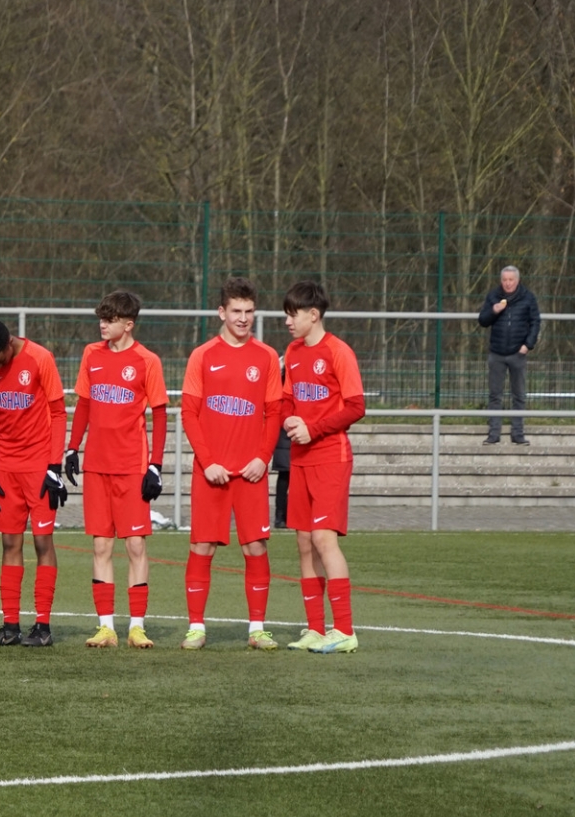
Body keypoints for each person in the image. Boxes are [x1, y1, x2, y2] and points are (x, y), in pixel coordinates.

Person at [180, 279, 284, 651]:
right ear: (222, 313)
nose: (243, 319)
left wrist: (262, 457)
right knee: (202, 546)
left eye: (249, 312)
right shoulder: (202, 355)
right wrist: (207, 463)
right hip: (211, 473)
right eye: (236, 312)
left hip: (250, 472)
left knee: (255, 547)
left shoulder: (267, 356)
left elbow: (274, 412)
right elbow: (189, 414)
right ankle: (196, 627)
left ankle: (257, 628)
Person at [64, 290, 167, 650]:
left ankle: (136, 626)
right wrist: (72, 447)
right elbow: (84, 404)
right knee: (101, 546)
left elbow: (159, 413)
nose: (102, 325)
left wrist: (155, 465)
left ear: (128, 324)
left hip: (131, 468)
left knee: (136, 546)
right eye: (101, 319)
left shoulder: (147, 361)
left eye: (109, 320)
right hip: (97, 467)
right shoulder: (91, 354)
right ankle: (106, 627)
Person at [278, 280, 366, 653]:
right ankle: (315, 628)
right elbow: (285, 400)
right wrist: (288, 422)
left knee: (323, 539)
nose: (287, 321)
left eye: (292, 314)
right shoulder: (293, 352)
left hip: (331, 457)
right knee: (302, 542)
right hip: (300, 460)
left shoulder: (338, 352)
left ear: (313, 315)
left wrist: (312, 428)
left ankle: (344, 630)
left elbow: (356, 406)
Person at [0, 317, 68, 649]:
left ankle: (42, 626)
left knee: (43, 543)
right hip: (8, 469)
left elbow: (58, 412)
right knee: (9, 545)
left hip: (40, 466)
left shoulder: (40, 358)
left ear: (9, 344)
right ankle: (10, 626)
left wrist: (54, 467)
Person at [479, 264, 539, 446]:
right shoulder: (493, 297)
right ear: (501, 281)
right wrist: (494, 311)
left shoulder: (528, 298)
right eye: (505, 280)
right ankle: (494, 433)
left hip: (517, 353)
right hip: (496, 352)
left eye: (511, 280)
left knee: (519, 395)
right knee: (495, 395)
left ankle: (518, 434)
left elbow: (535, 322)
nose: (507, 283)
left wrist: (528, 345)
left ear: (517, 280)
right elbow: (482, 320)